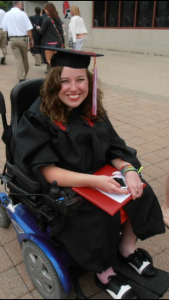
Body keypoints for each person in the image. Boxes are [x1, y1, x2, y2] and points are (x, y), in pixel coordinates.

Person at [14, 48, 165, 300]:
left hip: (99, 176)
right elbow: (48, 170)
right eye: (65, 81)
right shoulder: (38, 117)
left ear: (89, 81)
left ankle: (127, 248)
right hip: (65, 184)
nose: (74, 88)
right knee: (97, 214)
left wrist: (128, 171)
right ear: (54, 83)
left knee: (141, 190)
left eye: (80, 79)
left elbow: (113, 148)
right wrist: (95, 182)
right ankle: (104, 272)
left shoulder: (91, 109)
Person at [2, 1, 34, 83]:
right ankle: (24, 75)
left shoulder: (7, 14)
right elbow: (28, 28)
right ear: (18, 4)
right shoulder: (23, 14)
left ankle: (21, 76)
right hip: (23, 39)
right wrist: (31, 39)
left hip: (13, 39)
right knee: (24, 58)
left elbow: (4, 28)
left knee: (18, 59)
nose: (22, 6)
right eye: (22, 5)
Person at [36, 3, 65, 70]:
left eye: (45, 9)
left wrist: (38, 28)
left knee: (49, 61)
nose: (44, 10)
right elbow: (61, 32)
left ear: (48, 10)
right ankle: (58, 73)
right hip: (58, 42)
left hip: (49, 43)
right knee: (56, 61)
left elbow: (42, 31)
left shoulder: (47, 19)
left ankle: (55, 75)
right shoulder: (58, 18)